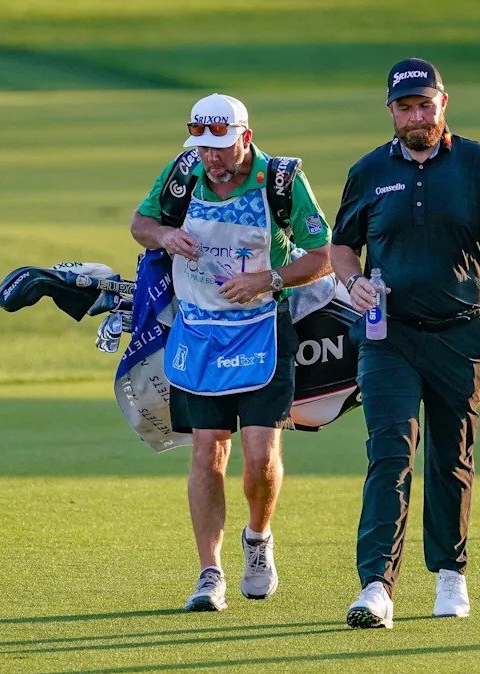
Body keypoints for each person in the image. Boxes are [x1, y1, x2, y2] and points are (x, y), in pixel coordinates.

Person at [330, 58, 480, 629]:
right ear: (390, 111)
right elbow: (341, 248)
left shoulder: (476, 162)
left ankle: (450, 574)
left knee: (451, 457)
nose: (417, 115)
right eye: (405, 107)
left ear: (444, 103)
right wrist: (353, 281)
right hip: (388, 335)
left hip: (461, 332)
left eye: (426, 104)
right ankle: (376, 587)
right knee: (390, 454)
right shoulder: (369, 170)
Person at [130, 93, 332, 612]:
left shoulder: (282, 179)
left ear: (245, 136)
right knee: (207, 452)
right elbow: (140, 224)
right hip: (197, 331)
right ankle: (209, 573)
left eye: (220, 146)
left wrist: (269, 278)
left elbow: (325, 256)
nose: (210, 158)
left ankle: (258, 540)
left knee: (261, 454)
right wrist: (167, 234)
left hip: (264, 328)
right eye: (202, 146)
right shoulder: (183, 172)